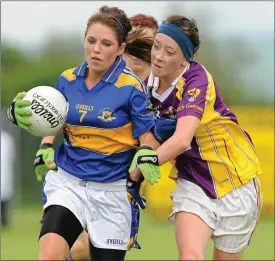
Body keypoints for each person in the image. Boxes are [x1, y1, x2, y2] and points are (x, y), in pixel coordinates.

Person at [6, 6, 160, 261]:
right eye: (91, 41)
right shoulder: (67, 80)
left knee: (84, 254)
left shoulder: (131, 87)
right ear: (84, 40)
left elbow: (147, 139)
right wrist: (27, 123)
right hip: (69, 184)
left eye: (106, 43)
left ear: (121, 49)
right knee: (50, 254)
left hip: (112, 192)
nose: (96, 49)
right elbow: (54, 121)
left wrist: (146, 153)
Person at [129, 15, 263, 260]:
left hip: (236, 181)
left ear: (185, 59)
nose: (158, 56)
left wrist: (144, 163)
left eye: (169, 51)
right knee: (190, 256)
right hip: (192, 182)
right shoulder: (146, 87)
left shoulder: (196, 79)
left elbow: (181, 140)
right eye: (156, 46)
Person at [1, 128, 16, 227]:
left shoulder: (6, 138)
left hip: (5, 172)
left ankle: (4, 221)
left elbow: (12, 157)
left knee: (4, 197)